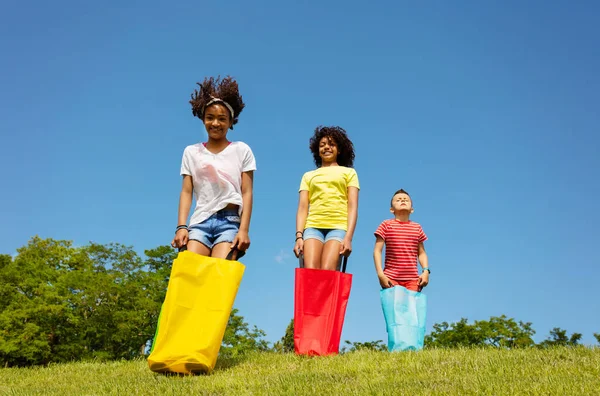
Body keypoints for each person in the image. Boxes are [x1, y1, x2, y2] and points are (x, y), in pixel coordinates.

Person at [171, 76, 256, 260]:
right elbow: (186, 191)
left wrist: (244, 230)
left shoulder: (242, 150)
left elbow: (247, 193)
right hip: (200, 222)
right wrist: (181, 227)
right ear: (203, 120)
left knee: (220, 279)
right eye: (210, 118)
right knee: (190, 273)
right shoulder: (191, 152)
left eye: (222, 119)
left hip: (230, 221)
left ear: (231, 122)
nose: (215, 123)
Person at [293, 126, 359, 270]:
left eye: (331, 144)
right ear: (317, 150)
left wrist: (348, 238)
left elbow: (352, 207)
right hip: (312, 227)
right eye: (322, 145)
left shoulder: (349, 173)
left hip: (338, 227)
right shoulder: (308, 176)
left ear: (339, 149)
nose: (326, 148)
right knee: (310, 271)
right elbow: (303, 207)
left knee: (328, 271)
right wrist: (299, 237)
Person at [373, 189, 430, 291]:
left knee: (411, 307)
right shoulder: (386, 225)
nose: (403, 201)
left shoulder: (417, 227)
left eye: (406, 200)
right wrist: (380, 274)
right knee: (394, 307)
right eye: (398, 200)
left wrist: (425, 271)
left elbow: (421, 253)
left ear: (412, 209)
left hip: (413, 280)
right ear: (391, 209)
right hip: (391, 278)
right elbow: (377, 251)